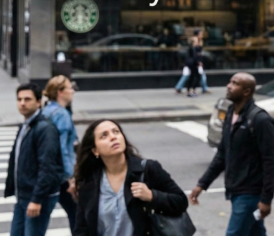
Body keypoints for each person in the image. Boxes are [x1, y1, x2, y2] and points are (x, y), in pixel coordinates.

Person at [189, 72, 274, 236]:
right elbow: (222, 154)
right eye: (230, 82)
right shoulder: (230, 113)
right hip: (236, 189)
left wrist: (266, 199)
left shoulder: (260, 120)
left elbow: (270, 162)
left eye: (235, 83)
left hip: (250, 192)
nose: (229, 86)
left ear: (246, 92)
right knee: (255, 232)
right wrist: (202, 184)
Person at [73, 119, 188, 236]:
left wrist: (152, 196)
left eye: (116, 132)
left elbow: (181, 201)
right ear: (95, 150)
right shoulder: (89, 181)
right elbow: (81, 228)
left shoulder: (148, 169)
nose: (113, 137)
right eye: (104, 135)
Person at [4, 83, 64, 236]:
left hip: (38, 197)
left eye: (27, 99)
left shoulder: (45, 129)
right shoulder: (26, 126)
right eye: (19, 99)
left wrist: (37, 199)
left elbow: (48, 167)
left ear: (38, 102)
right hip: (23, 196)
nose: (22, 103)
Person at [41, 76, 79, 232]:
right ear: (60, 92)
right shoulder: (61, 115)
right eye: (70, 88)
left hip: (48, 171)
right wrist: (70, 177)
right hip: (62, 175)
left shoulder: (46, 111)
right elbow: (62, 148)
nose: (73, 92)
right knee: (77, 214)